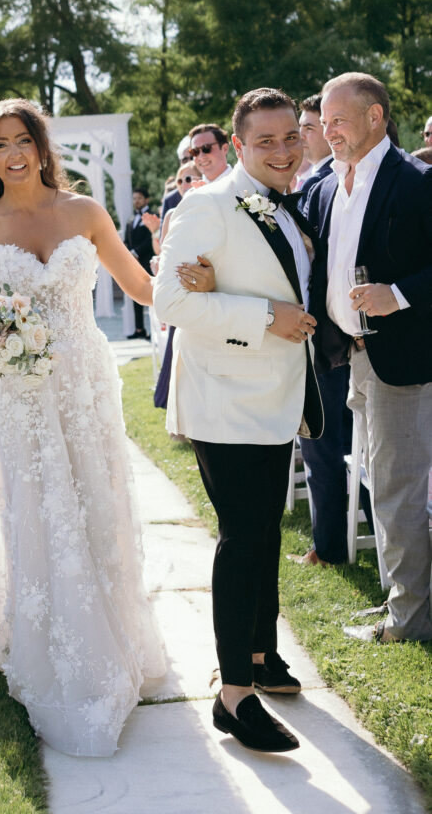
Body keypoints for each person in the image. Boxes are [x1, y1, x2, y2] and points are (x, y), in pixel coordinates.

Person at [0, 97, 179, 757]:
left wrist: (189, 270)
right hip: (19, 397)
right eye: (0, 143)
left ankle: (117, 644)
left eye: (22, 139)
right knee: (41, 517)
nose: (13, 153)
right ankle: (62, 661)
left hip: (85, 385)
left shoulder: (85, 213)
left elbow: (142, 288)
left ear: (40, 145)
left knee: (96, 507)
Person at [154, 87, 323, 754]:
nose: (281, 150)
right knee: (242, 539)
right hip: (226, 400)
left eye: (290, 137)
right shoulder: (206, 203)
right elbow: (170, 299)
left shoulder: (283, 202)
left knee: (263, 534)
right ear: (238, 145)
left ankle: (261, 657)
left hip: (275, 396)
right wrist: (263, 318)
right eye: (265, 142)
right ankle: (232, 696)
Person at [306, 72, 432, 643]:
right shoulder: (328, 184)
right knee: (379, 482)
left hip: (403, 359)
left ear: (376, 117)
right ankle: (399, 602)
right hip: (351, 353)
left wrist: (397, 295)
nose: (326, 130)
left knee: (395, 487)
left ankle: (408, 620)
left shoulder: (416, 182)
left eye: (337, 119)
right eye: (324, 121)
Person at [294, 94, 353, 566]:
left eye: (307, 127)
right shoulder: (309, 183)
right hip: (319, 332)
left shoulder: (330, 180)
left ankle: (330, 542)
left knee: (326, 438)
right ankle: (331, 538)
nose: (309, 134)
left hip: (332, 335)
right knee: (326, 439)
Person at [153, 161, 208, 410]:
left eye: (190, 179)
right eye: (180, 181)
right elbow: (165, 252)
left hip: (205, 288)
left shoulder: (209, 209)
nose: (185, 184)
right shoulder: (171, 215)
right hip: (179, 287)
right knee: (179, 355)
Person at [123, 186, 154, 339]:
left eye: (139, 198)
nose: (136, 201)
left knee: (153, 296)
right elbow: (126, 241)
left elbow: (151, 239)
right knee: (135, 295)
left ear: (146, 199)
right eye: (134, 198)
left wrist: (135, 252)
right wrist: (127, 254)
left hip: (149, 262)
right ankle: (140, 329)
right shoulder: (130, 219)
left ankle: (155, 331)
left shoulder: (153, 216)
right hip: (134, 264)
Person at [296, 95, 333, 200]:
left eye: (309, 128)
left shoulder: (324, 180)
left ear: (328, 131)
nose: (300, 135)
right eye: (300, 126)